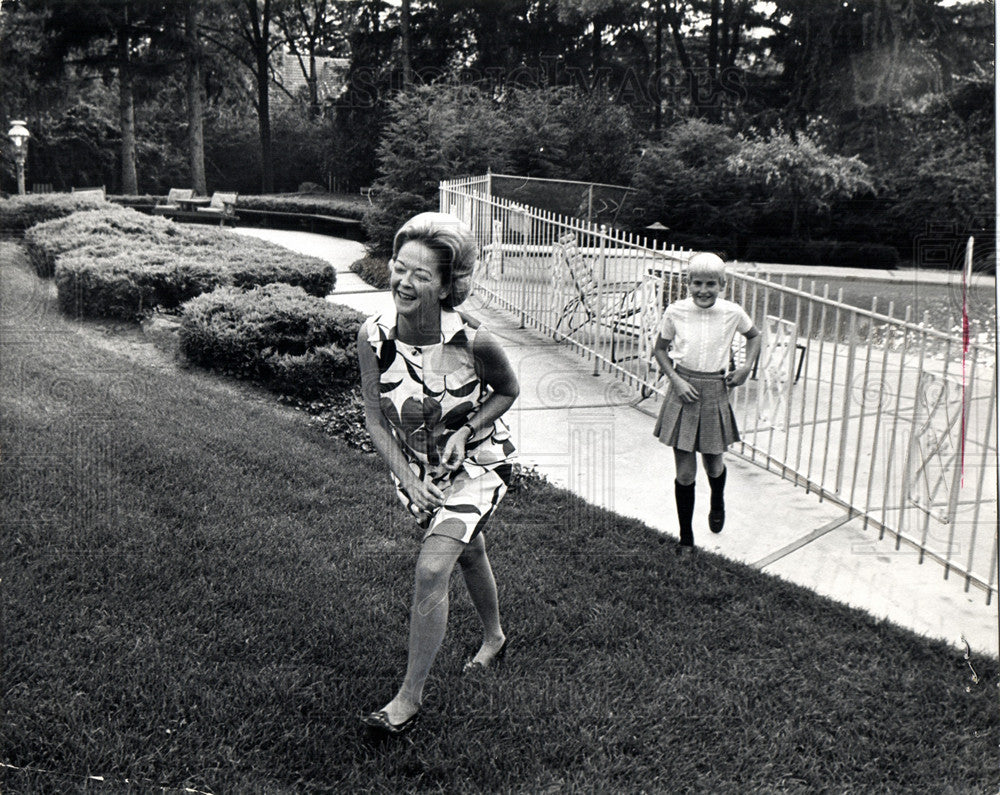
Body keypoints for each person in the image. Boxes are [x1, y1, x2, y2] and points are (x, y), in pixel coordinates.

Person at [356, 212, 518, 735]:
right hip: (417, 472)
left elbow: (508, 392)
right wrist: (407, 477)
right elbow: (374, 418)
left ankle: (409, 698)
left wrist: (465, 430)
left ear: (448, 285)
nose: (403, 282)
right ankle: (494, 637)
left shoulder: (476, 343)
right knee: (470, 549)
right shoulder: (373, 335)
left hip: (476, 468)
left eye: (421, 275)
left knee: (432, 568)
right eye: (399, 267)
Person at [652, 252, 761, 551]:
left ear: (722, 285)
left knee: (714, 466)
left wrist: (746, 368)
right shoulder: (675, 311)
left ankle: (717, 499)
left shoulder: (732, 312)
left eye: (711, 284)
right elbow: (660, 350)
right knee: (685, 473)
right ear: (688, 284)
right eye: (697, 283)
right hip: (683, 390)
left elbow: (754, 336)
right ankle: (686, 538)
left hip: (715, 390)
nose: (703, 290)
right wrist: (676, 380)